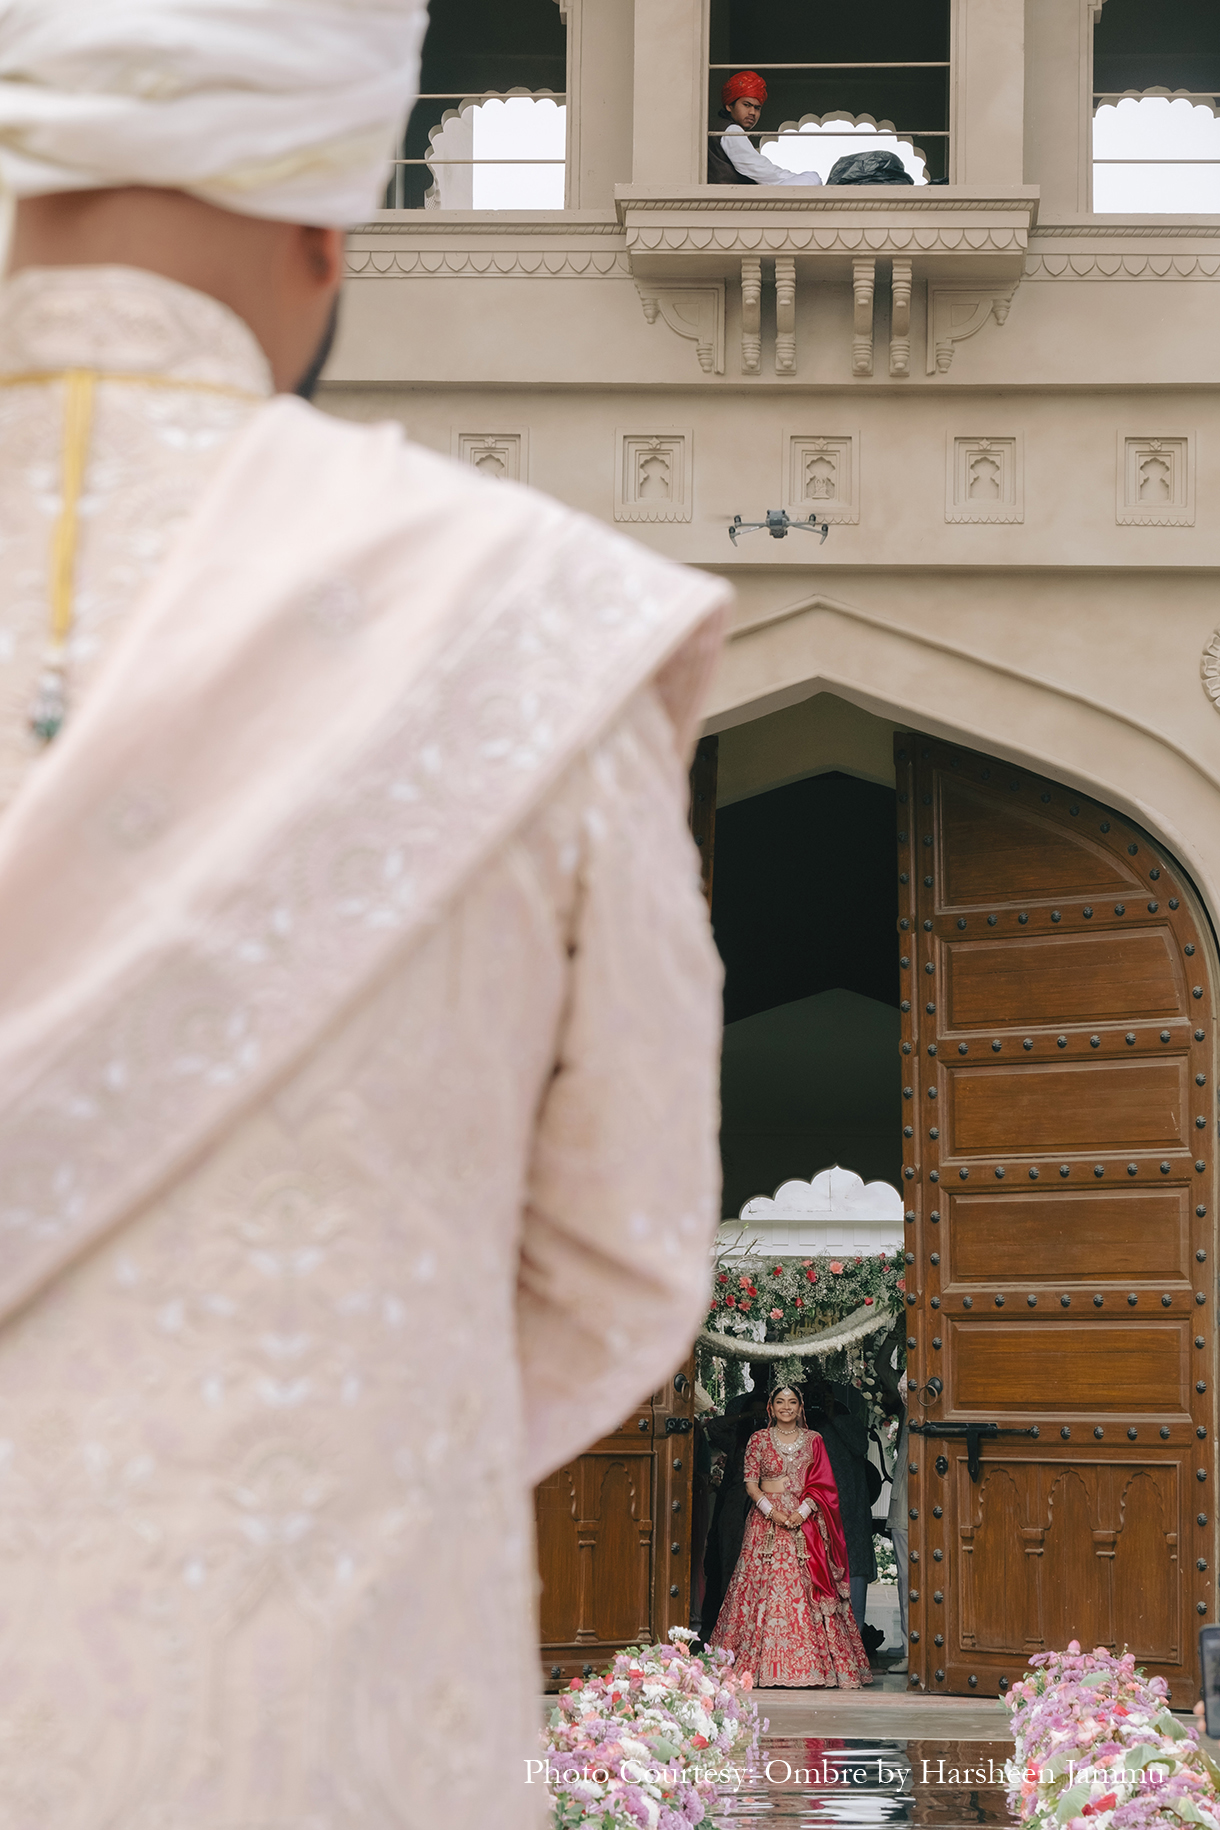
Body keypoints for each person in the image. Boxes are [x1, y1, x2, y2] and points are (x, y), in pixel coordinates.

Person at [0, 3, 731, 1825]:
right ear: (327, 227)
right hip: (313, 1730)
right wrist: (336, 1431)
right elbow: (626, 1264)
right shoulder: (527, 629)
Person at [708, 1381, 872, 1687]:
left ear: (800, 1408)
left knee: (805, 1591)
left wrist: (801, 1513)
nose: (786, 1407)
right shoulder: (759, 1440)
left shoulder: (814, 1440)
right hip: (765, 1524)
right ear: (771, 1408)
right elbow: (751, 1483)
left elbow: (823, 1484)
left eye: (792, 1402)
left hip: (802, 1523)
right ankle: (753, 1666)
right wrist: (772, 1511)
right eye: (780, 1402)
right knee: (757, 1590)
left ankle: (810, 1666)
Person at [804, 1369, 878, 1633]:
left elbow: (860, 1445)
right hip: (816, 1512)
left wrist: (833, 1412)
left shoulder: (845, 1418)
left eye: (822, 1392)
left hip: (851, 1511)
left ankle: (854, 1648)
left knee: (854, 1573)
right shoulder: (801, 1424)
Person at [708, 71, 825, 187]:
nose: (752, 112)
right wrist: (797, 178)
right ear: (729, 106)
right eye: (746, 105)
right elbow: (756, 167)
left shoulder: (721, 128)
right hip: (729, 198)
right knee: (812, 178)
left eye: (757, 108)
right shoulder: (731, 130)